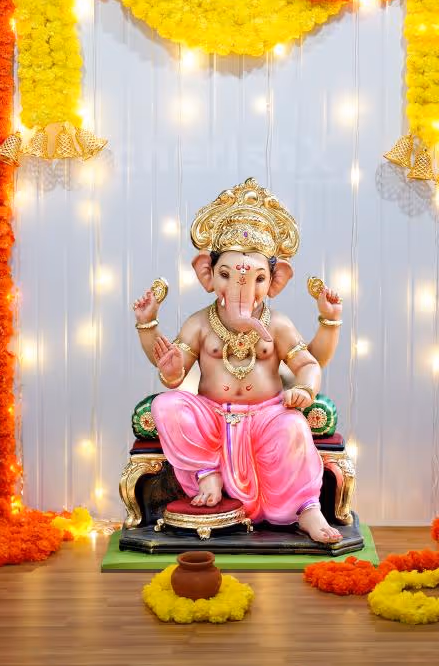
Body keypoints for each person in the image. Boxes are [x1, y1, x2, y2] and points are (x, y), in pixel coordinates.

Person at [132, 178, 344, 544]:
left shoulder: (275, 323)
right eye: (226, 276)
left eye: (257, 278)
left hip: (266, 416)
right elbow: (172, 368)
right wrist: (150, 332)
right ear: (206, 273)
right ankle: (206, 473)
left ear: (276, 280)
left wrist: (306, 389)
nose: (240, 288)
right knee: (167, 405)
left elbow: (309, 363)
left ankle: (308, 508)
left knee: (294, 428)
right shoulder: (200, 322)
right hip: (212, 417)